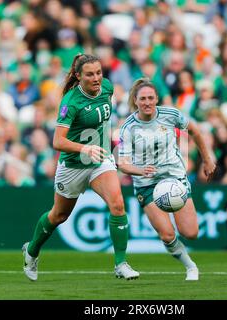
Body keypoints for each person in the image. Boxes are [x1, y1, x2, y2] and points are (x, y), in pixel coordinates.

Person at [22, 54, 139, 281]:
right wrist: (84, 149)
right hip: (73, 164)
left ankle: (120, 264)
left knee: (117, 205)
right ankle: (32, 250)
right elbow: (58, 141)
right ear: (78, 76)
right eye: (90, 74)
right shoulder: (70, 102)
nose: (96, 78)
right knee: (59, 215)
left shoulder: (107, 87)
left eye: (99, 72)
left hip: (100, 160)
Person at [118, 78, 216, 281]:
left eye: (151, 98)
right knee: (167, 235)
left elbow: (195, 131)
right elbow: (123, 163)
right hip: (146, 184)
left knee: (191, 233)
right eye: (142, 98)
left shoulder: (170, 114)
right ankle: (190, 267)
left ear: (157, 99)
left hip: (174, 178)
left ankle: (189, 261)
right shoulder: (128, 127)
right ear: (135, 101)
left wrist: (207, 160)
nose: (147, 102)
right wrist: (140, 170)